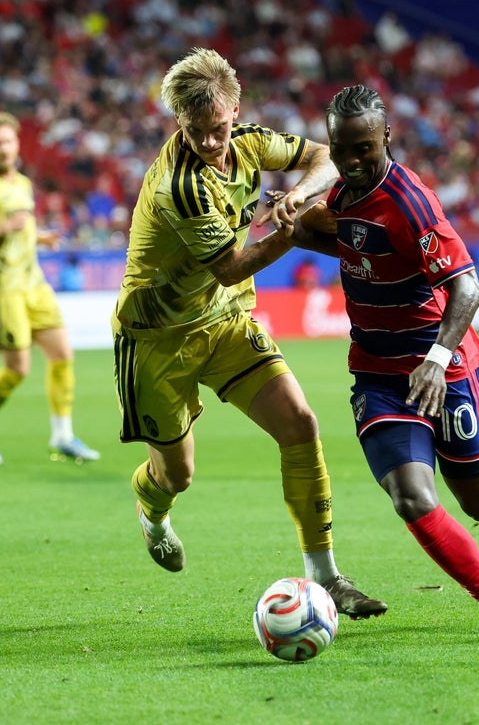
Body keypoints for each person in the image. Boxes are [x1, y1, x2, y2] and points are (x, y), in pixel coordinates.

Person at [111, 49, 385, 619]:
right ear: (179, 122)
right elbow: (233, 267)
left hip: (224, 321)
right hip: (156, 338)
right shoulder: (180, 187)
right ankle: (151, 506)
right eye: (195, 131)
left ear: (235, 110)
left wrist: (299, 195)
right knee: (177, 475)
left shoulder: (250, 142)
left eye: (218, 128)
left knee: (300, 423)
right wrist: (291, 228)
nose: (209, 142)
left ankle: (327, 577)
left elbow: (324, 156)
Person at [290, 84, 479, 642]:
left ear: (386, 136)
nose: (352, 161)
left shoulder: (411, 202)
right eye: (342, 150)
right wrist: (289, 215)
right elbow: (327, 234)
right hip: (378, 374)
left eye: (364, 148)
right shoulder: (342, 195)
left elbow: (467, 288)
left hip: (442, 368)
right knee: (411, 497)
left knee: (476, 500)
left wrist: (436, 358)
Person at [0, 111, 100, 465]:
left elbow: (22, 227)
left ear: (17, 144)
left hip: (34, 283)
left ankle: (62, 435)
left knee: (62, 355)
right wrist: (5, 227)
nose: (3, 148)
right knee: (18, 369)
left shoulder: (22, 183)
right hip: (2, 287)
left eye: (8, 141)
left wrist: (39, 236)